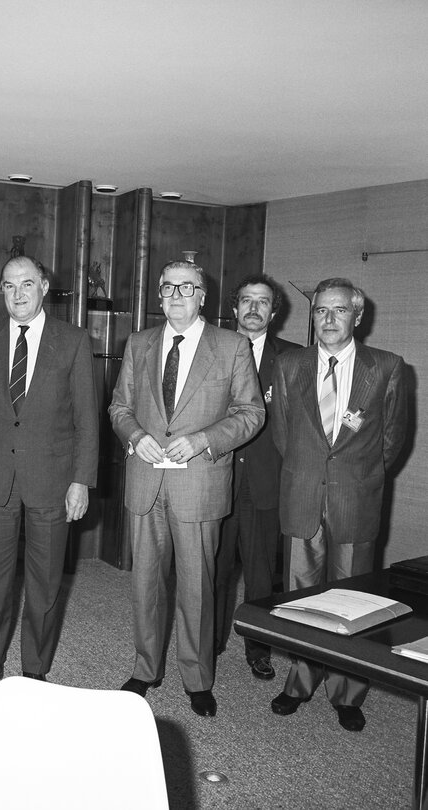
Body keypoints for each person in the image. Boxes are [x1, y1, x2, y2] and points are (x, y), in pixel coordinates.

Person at [108, 260, 264, 717]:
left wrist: (202, 441)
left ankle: (197, 678)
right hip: (146, 481)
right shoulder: (138, 343)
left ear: (203, 296)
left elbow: (251, 413)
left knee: (197, 586)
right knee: (146, 584)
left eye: (187, 287)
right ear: (159, 296)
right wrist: (136, 436)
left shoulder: (232, 346)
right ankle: (145, 667)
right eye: (168, 287)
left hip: (200, 483)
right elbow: (119, 407)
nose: (177, 294)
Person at [0, 256, 98, 696]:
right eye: (9, 285)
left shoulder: (72, 341)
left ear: (44, 287)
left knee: (45, 581)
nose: (17, 294)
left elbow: (87, 420)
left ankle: (35, 668)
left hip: (52, 481)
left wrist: (81, 481)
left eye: (27, 284)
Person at [269, 277, 407, 732]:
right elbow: (284, 434)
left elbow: (392, 442)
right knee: (301, 597)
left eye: (339, 311)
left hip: (356, 500)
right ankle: (299, 683)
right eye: (321, 311)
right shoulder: (290, 364)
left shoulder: (386, 367)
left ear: (357, 315)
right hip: (302, 495)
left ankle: (347, 692)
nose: (328, 319)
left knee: (353, 600)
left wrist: (358, 478)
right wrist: (311, 472)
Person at [214, 274, 300, 680]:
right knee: (212, 568)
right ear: (234, 308)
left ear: (273, 311)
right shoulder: (210, 349)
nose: (253, 308)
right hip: (216, 477)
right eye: (246, 300)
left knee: (262, 574)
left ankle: (258, 648)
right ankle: (208, 642)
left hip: (266, 482)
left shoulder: (295, 358)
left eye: (262, 302)